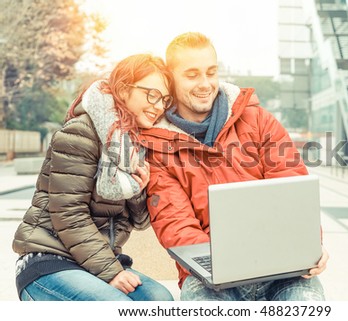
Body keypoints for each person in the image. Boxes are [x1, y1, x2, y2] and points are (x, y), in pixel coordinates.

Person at [140, 32, 329, 301]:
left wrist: (311, 246)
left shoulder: (259, 121)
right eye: (192, 75)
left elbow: (294, 192)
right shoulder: (158, 146)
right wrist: (226, 263)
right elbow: (174, 223)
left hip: (283, 273)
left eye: (211, 72)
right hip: (210, 279)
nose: (205, 84)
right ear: (170, 79)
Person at [12, 53, 175, 301]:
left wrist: (138, 189)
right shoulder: (80, 133)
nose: (159, 105)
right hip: (48, 260)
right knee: (118, 307)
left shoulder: (135, 145)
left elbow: (140, 222)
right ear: (123, 89)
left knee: (160, 300)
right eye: (151, 94)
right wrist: (111, 272)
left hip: (93, 261)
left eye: (164, 99)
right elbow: (68, 214)